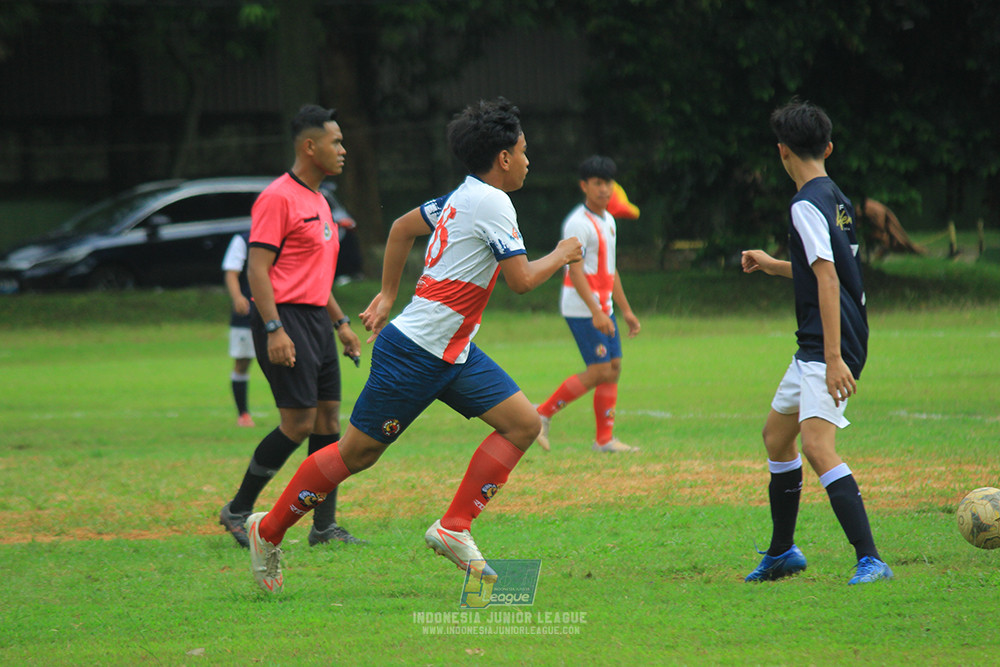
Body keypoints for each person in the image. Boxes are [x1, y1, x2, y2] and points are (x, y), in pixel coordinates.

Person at [243, 97, 583, 594]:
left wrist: (387, 295)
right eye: (525, 152)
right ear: (504, 158)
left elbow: (402, 228)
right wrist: (562, 253)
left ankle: (454, 527)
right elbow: (522, 280)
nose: (529, 162)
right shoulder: (492, 201)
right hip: (417, 351)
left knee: (524, 424)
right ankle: (267, 530)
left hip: (453, 351)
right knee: (357, 454)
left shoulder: (462, 196)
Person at [740, 99, 892, 585]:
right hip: (825, 338)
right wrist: (773, 263)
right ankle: (783, 552)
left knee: (817, 446)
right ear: (827, 147)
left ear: (781, 151)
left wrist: (831, 359)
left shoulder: (804, 203)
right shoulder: (836, 197)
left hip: (829, 343)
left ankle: (870, 559)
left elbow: (827, 281)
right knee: (776, 437)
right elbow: (824, 270)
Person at [218, 104, 364, 550]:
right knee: (297, 422)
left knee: (327, 420)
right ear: (309, 146)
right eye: (335, 141)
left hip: (318, 320)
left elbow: (317, 278)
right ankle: (238, 509)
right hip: (286, 318)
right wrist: (274, 328)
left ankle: (324, 527)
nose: (342, 150)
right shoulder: (277, 197)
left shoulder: (320, 202)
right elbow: (257, 271)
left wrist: (341, 324)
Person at [534, 156, 641, 453]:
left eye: (608, 183)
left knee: (614, 367)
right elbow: (575, 271)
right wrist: (595, 311)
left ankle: (604, 440)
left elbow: (611, 268)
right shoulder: (577, 223)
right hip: (582, 308)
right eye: (597, 183)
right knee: (598, 370)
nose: (604, 189)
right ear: (584, 186)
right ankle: (541, 414)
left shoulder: (608, 220)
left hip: (602, 307)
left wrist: (626, 310)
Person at [222, 232, 256, 428]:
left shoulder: (284, 236)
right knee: (242, 363)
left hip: (281, 312)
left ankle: (292, 412)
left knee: (286, 363)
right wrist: (237, 297)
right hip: (247, 314)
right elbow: (231, 272)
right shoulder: (243, 239)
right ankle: (243, 413)